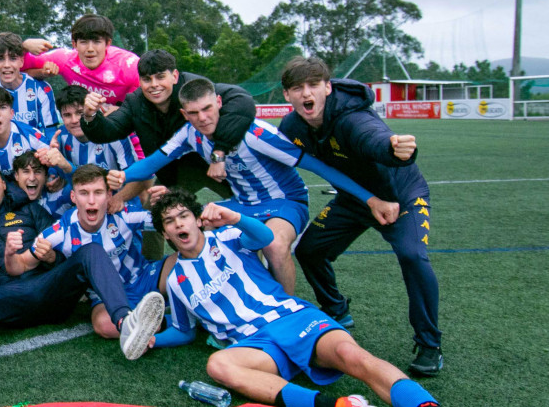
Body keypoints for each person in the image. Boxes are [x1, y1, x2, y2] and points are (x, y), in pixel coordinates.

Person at [143, 189, 481, 407]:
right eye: (169, 221)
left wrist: (236, 217)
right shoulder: (176, 281)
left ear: (196, 219)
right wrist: (156, 340)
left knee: (355, 358)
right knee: (219, 364)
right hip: (256, 345)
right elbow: (185, 331)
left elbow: (264, 238)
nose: (178, 224)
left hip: (292, 317)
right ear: (165, 233)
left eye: (183, 215)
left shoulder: (229, 238)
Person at [122, 77, 397, 295]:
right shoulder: (189, 134)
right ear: (184, 113)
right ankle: (211, 296)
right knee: (188, 229)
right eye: (193, 113)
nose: (202, 118)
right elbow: (151, 164)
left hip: (284, 203)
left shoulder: (256, 134)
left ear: (219, 102)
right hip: (242, 204)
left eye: (207, 108)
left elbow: (320, 168)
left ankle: (287, 312)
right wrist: (118, 178)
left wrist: (371, 200)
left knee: (275, 246)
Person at [279, 57, 445, 376]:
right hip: (356, 199)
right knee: (309, 250)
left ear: (327, 87)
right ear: (288, 96)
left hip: (401, 198)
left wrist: (393, 147)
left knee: (412, 254)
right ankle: (337, 312)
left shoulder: (351, 117)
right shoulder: (291, 127)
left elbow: (374, 137)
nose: (306, 93)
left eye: (313, 85)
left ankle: (429, 345)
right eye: (297, 88)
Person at [0, 164, 163, 384]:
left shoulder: (31, 211)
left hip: (49, 290)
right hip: (11, 299)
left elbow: (65, 253)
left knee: (90, 250)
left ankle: (126, 322)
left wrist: (51, 258)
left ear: (4, 184)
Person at [80, 49, 256, 201]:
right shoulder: (135, 102)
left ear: (175, 76)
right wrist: (90, 114)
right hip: (170, 175)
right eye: (147, 79)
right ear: (140, 81)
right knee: (158, 213)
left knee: (244, 207)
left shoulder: (192, 89)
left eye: (160, 77)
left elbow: (241, 100)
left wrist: (219, 151)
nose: (154, 85)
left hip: (215, 167)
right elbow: (109, 131)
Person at [20, 165, 170, 341]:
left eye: (98, 192)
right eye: (84, 193)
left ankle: (149, 317)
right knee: (104, 326)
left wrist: (168, 203)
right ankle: (164, 321)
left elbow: (172, 221)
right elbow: (20, 263)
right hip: (103, 297)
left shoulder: (123, 214)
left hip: (143, 276)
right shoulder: (60, 232)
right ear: (74, 197)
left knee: (181, 267)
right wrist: (9, 253)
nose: (91, 201)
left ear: (108, 195)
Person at [0, 32, 59, 132]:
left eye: (13, 58)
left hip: (33, 148)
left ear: (21, 61)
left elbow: (51, 132)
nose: (7, 65)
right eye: (1, 59)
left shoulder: (41, 89)